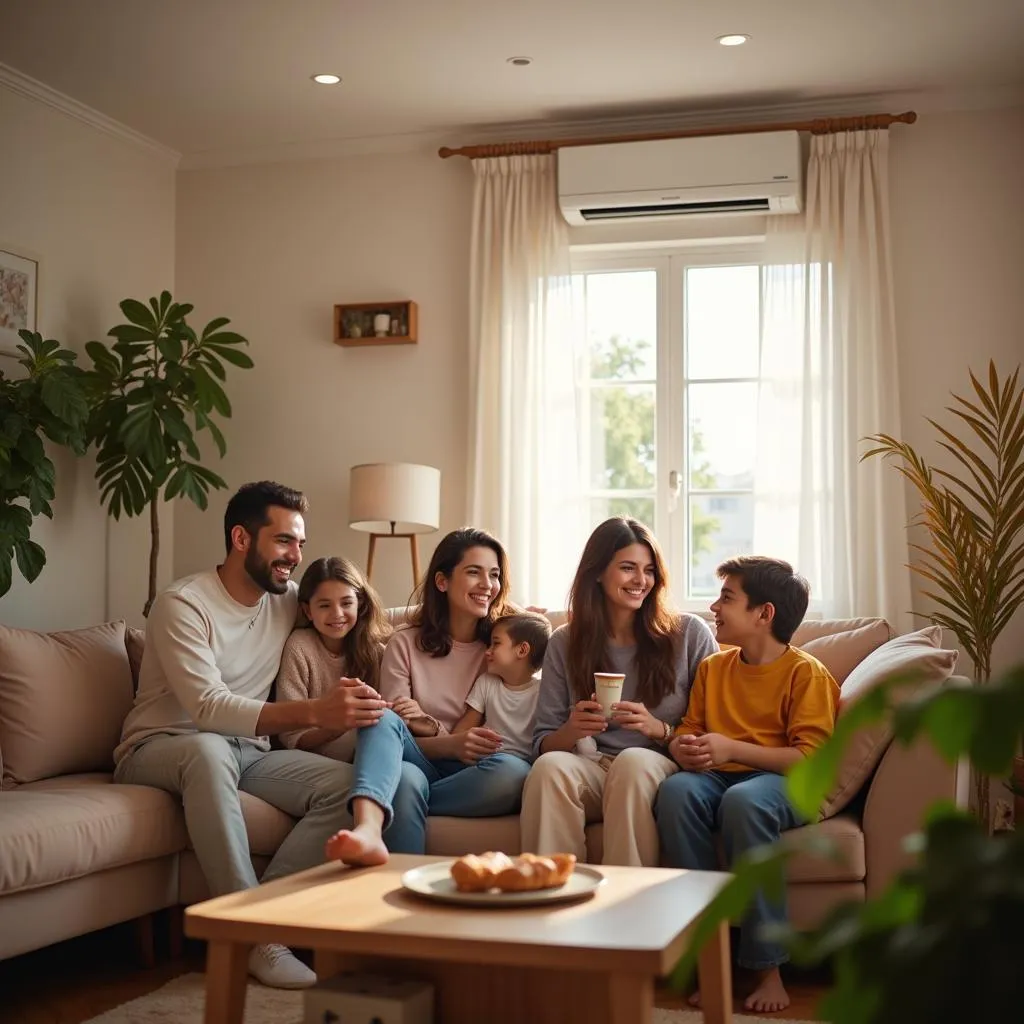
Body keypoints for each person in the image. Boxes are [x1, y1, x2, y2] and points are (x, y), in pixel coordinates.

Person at [113, 482, 407, 990]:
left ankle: (255, 917)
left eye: (299, 544)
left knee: (350, 788)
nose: (295, 556)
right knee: (207, 749)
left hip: (249, 753)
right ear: (241, 538)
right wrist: (317, 711)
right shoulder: (182, 604)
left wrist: (478, 620)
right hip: (161, 745)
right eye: (285, 542)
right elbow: (207, 707)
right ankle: (256, 942)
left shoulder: (286, 599)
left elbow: (354, 609)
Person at [654, 556, 840, 1013]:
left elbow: (810, 758)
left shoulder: (805, 673)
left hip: (782, 781)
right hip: (718, 775)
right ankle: (707, 955)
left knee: (744, 803)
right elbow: (689, 729)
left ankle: (767, 967)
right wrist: (684, 748)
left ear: (764, 613)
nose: (714, 607)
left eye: (727, 597)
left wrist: (732, 749)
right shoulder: (714, 669)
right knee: (676, 793)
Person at [324, 528, 532, 866]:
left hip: (476, 772)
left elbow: (535, 633)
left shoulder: (502, 648)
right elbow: (392, 735)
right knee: (391, 740)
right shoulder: (404, 643)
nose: (487, 584)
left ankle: (400, 802)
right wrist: (451, 743)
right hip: (417, 761)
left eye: (494, 575)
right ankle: (368, 830)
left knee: (513, 772)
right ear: (442, 582)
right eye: (473, 572)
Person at [520, 517, 718, 867]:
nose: (641, 580)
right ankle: (551, 899)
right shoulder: (565, 642)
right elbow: (543, 744)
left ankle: (627, 907)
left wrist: (658, 729)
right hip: (593, 765)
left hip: (659, 765)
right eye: (628, 568)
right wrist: (572, 730)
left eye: (649, 570)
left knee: (631, 762)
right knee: (550, 769)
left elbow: (717, 725)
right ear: (597, 573)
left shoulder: (689, 634)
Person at [276, 555, 392, 762]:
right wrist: (336, 726)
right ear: (307, 610)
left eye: (346, 603)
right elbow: (291, 736)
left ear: (360, 604)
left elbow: (389, 719)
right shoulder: (300, 647)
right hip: (312, 761)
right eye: (324, 605)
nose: (337, 614)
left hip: (370, 757)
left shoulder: (377, 652)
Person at [453, 612, 552, 762]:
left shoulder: (542, 692)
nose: (487, 651)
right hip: (482, 761)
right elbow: (461, 732)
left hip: (516, 766)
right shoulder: (487, 682)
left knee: (507, 767)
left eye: (496, 643)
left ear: (522, 650)